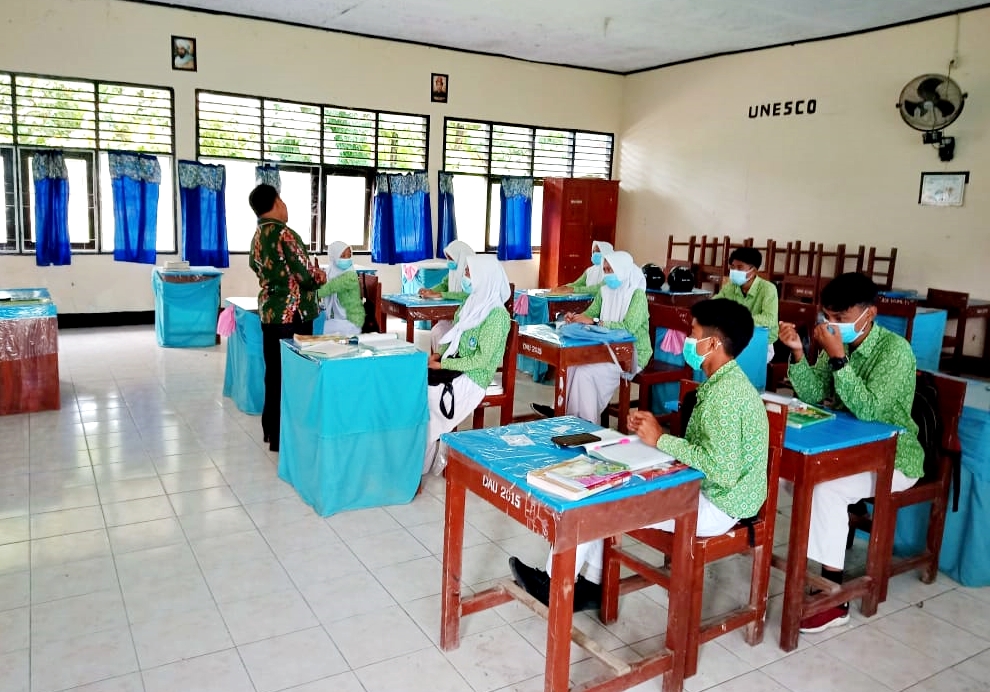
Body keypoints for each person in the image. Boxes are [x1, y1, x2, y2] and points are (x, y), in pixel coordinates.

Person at [511, 299, 769, 610]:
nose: (688, 340)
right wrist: (656, 432)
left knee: (598, 501)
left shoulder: (726, 397)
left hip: (719, 503)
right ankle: (592, 583)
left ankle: (556, 584)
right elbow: (712, 450)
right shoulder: (726, 382)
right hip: (710, 488)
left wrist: (660, 440)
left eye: (693, 333)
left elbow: (722, 471)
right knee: (607, 484)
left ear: (712, 343)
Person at [779, 272, 922, 633]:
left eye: (841, 319)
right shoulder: (836, 343)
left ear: (869, 314)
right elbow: (813, 395)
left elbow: (869, 410)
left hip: (894, 456)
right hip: (845, 445)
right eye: (828, 316)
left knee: (824, 488)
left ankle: (832, 595)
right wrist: (798, 352)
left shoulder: (895, 351)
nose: (832, 325)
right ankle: (817, 556)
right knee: (794, 475)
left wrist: (839, 359)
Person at [248, 184, 326, 453]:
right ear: (276, 202)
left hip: (270, 313)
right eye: (282, 201)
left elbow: (255, 266)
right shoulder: (285, 234)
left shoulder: (258, 236)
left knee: (274, 373)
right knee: (295, 374)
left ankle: (272, 430)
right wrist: (320, 276)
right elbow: (306, 276)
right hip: (294, 315)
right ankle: (289, 436)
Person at [531, 250, 651, 422]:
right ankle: (560, 412)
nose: (608, 274)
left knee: (585, 373)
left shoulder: (637, 295)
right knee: (572, 365)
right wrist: (575, 318)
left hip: (631, 352)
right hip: (603, 347)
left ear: (622, 269)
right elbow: (590, 314)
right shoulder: (605, 291)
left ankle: (586, 421)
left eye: (611, 270)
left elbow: (628, 328)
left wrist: (594, 322)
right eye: (606, 270)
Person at [423, 255, 511, 475]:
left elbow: (481, 360)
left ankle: (420, 465)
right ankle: (421, 457)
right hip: (455, 367)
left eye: (470, 274)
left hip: (474, 377)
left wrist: (443, 365)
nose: (465, 278)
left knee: (430, 397)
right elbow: (454, 335)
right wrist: (438, 356)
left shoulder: (497, 316)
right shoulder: (469, 303)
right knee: (417, 389)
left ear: (484, 278)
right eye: (466, 273)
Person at [713, 246, 778, 362]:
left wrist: (738, 320)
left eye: (740, 267)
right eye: (732, 267)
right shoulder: (731, 287)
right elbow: (713, 306)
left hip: (760, 342)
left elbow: (769, 319)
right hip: (733, 339)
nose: (734, 271)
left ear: (753, 270)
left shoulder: (768, 289)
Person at [419, 239, 474, 352]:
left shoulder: (474, 272)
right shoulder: (454, 272)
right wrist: (430, 291)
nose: (449, 261)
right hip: (453, 317)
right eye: (448, 258)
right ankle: (441, 361)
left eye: (451, 258)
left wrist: (440, 294)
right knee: (438, 331)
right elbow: (444, 284)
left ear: (460, 257)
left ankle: (450, 362)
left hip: (469, 318)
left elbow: (468, 296)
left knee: (446, 332)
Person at [316, 241, 362, 336]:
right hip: (336, 318)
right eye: (343, 256)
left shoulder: (350, 274)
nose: (347, 259)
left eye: (349, 256)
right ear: (333, 257)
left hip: (348, 321)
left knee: (314, 325)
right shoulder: (330, 271)